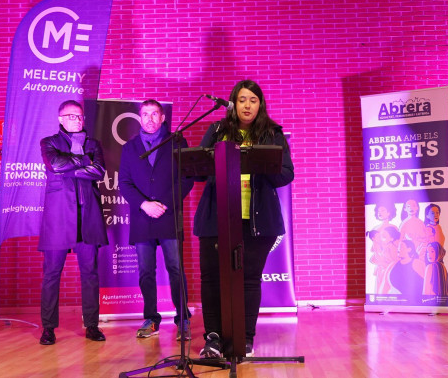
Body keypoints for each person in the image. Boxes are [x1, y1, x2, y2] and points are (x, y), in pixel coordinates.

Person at [194, 80, 294, 358]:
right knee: (212, 279)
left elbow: (286, 174)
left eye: (252, 99)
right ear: (233, 104)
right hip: (216, 218)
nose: (247, 105)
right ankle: (213, 339)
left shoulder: (272, 133)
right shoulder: (217, 130)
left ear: (260, 103)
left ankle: (245, 339)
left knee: (249, 280)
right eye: (241, 100)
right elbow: (199, 171)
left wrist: (262, 164)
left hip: (257, 221)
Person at [119, 99, 194, 340]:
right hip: (142, 218)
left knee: (175, 268)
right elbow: (124, 183)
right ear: (139, 118)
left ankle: (182, 318)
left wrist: (164, 205)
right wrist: (144, 204)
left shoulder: (177, 141)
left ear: (163, 118)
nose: (150, 118)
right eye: (145, 114)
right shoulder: (129, 148)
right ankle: (151, 318)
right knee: (145, 271)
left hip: (168, 215)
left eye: (155, 114)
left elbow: (187, 177)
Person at [38, 100, 108, 345]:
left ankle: (91, 325)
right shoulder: (48, 142)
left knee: (90, 274)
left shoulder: (93, 144)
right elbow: (55, 164)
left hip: (88, 216)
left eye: (79, 117)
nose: (76, 121)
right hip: (58, 219)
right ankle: (48, 328)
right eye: (71, 116)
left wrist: (73, 165)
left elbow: (99, 172)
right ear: (60, 119)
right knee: (51, 274)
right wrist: (83, 162)